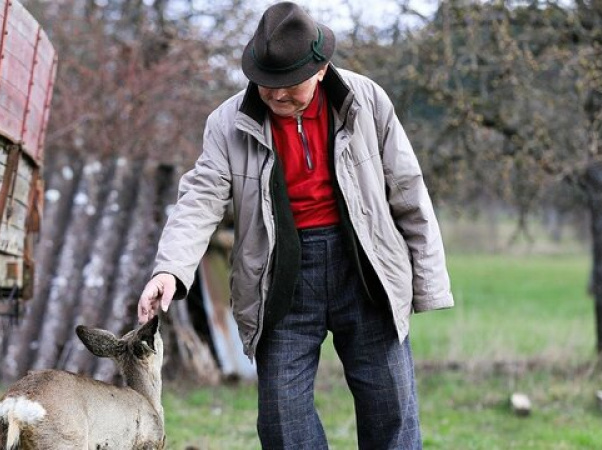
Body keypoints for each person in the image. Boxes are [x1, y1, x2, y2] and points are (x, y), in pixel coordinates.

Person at [137, 2, 453, 448]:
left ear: (321, 70)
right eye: (267, 85)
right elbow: (200, 199)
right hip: (279, 276)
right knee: (282, 422)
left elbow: (408, 190)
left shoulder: (367, 101)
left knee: (393, 412)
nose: (276, 95)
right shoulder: (227, 123)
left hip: (363, 269)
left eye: (289, 86)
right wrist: (170, 268)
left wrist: (427, 282)